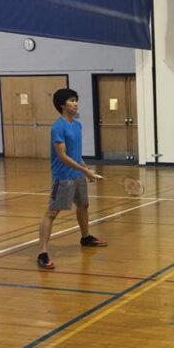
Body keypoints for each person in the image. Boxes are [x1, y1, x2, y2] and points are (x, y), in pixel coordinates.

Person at [37, 88, 106, 269]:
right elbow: (63, 156)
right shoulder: (58, 127)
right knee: (52, 213)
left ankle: (85, 237)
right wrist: (85, 171)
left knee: (83, 205)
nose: (75, 104)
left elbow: (75, 154)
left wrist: (85, 169)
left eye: (76, 100)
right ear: (62, 105)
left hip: (77, 174)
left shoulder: (77, 125)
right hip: (63, 176)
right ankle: (43, 253)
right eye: (71, 101)